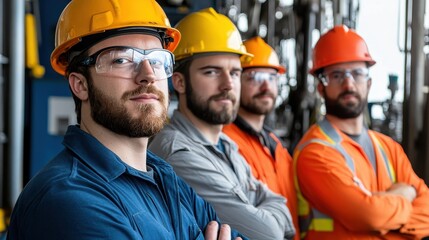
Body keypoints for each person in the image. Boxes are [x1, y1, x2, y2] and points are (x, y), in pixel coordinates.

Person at [7, 1, 247, 239]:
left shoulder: (165, 178)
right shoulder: (69, 199)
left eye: (157, 60)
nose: (148, 75)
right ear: (80, 85)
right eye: (121, 60)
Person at [149, 8, 295, 240]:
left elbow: (282, 208)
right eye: (211, 72)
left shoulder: (226, 145)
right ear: (179, 82)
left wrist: (267, 212)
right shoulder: (176, 152)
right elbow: (270, 234)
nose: (228, 84)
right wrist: (263, 210)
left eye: (235, 73)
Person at [293, 24, 429, 239]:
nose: (349, 84)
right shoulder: (315, 153)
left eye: (357, 73)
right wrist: (406, 195)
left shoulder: (388, 148)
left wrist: (381, 215)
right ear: (321, 88)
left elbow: (428, 212)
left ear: (369, 83)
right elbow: (369, 216)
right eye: (336, 75)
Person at [222, 36, 300, 240]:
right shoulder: (225, 142)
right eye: (255, 77)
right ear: (235, 81)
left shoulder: (275, 144)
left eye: (272, 77)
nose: (266, 86)